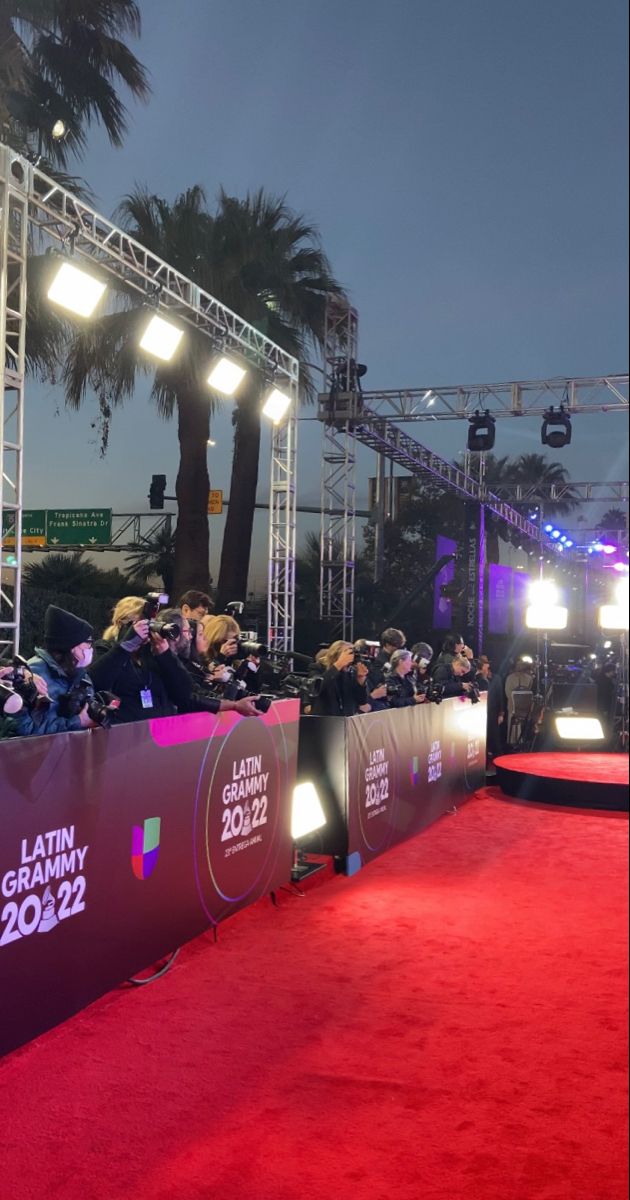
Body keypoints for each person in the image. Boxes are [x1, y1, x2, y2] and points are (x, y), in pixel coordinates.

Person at [90, 596, 191, 723]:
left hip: (159, 734)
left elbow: (184, 694)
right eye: (142, 624)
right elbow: (95, 683)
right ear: (123, 624)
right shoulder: (105, 648)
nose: (148, 629)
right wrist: (125, 647)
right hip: (125, 734)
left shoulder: (150, 653)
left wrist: (166, 655)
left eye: (150, 623)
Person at [8, 605, 98, 736]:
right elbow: (22, 731)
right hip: (38, 755)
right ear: (72, 646)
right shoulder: (33, 674)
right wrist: (78, 722)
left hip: (69, 752)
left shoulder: (81, 675)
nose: (91, 648)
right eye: (88, 642)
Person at [162, 609, 259, 717]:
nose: (205, 638)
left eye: (235, 640)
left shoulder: (198, 663)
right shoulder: (191, 664)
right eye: (200, 634)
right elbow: (192, 697)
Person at [312, 641, 370, 716]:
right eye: (348, 654)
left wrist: (361, 680)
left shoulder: (351, 672)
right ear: (336, 655)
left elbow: (362, 701)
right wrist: (339, 664)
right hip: (326, 721)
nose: (350, 658)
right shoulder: (318, 668)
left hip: (347, 721)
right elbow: (315, 687)